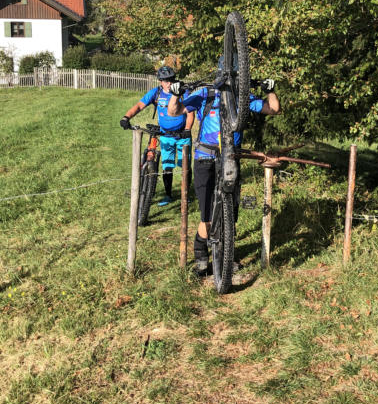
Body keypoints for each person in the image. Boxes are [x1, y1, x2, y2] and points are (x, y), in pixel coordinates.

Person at [168, 60, 280, 275]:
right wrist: (175, 94)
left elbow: (273, 109)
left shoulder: (243, 98)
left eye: (237, 77)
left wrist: (270, 91)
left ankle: (227, 254)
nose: (233, 80)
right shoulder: (206, 94)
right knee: (207, 214)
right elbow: (175, 111)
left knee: (231, 210)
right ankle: (201, 253)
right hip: (205, 157)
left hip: (231, 157)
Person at [120, 66, 194, 206]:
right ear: (160, 81)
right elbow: (139, 106)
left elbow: (190, 113)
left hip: (182, 135)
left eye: (171, 79)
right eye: (166, 80)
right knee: (167, 166)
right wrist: (126, 117)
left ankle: (186, 194)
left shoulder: (183, 92)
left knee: (185, 166)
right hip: (165, 135)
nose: (169, 83)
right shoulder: (156, 93)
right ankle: (168, 195)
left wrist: (187, 129)